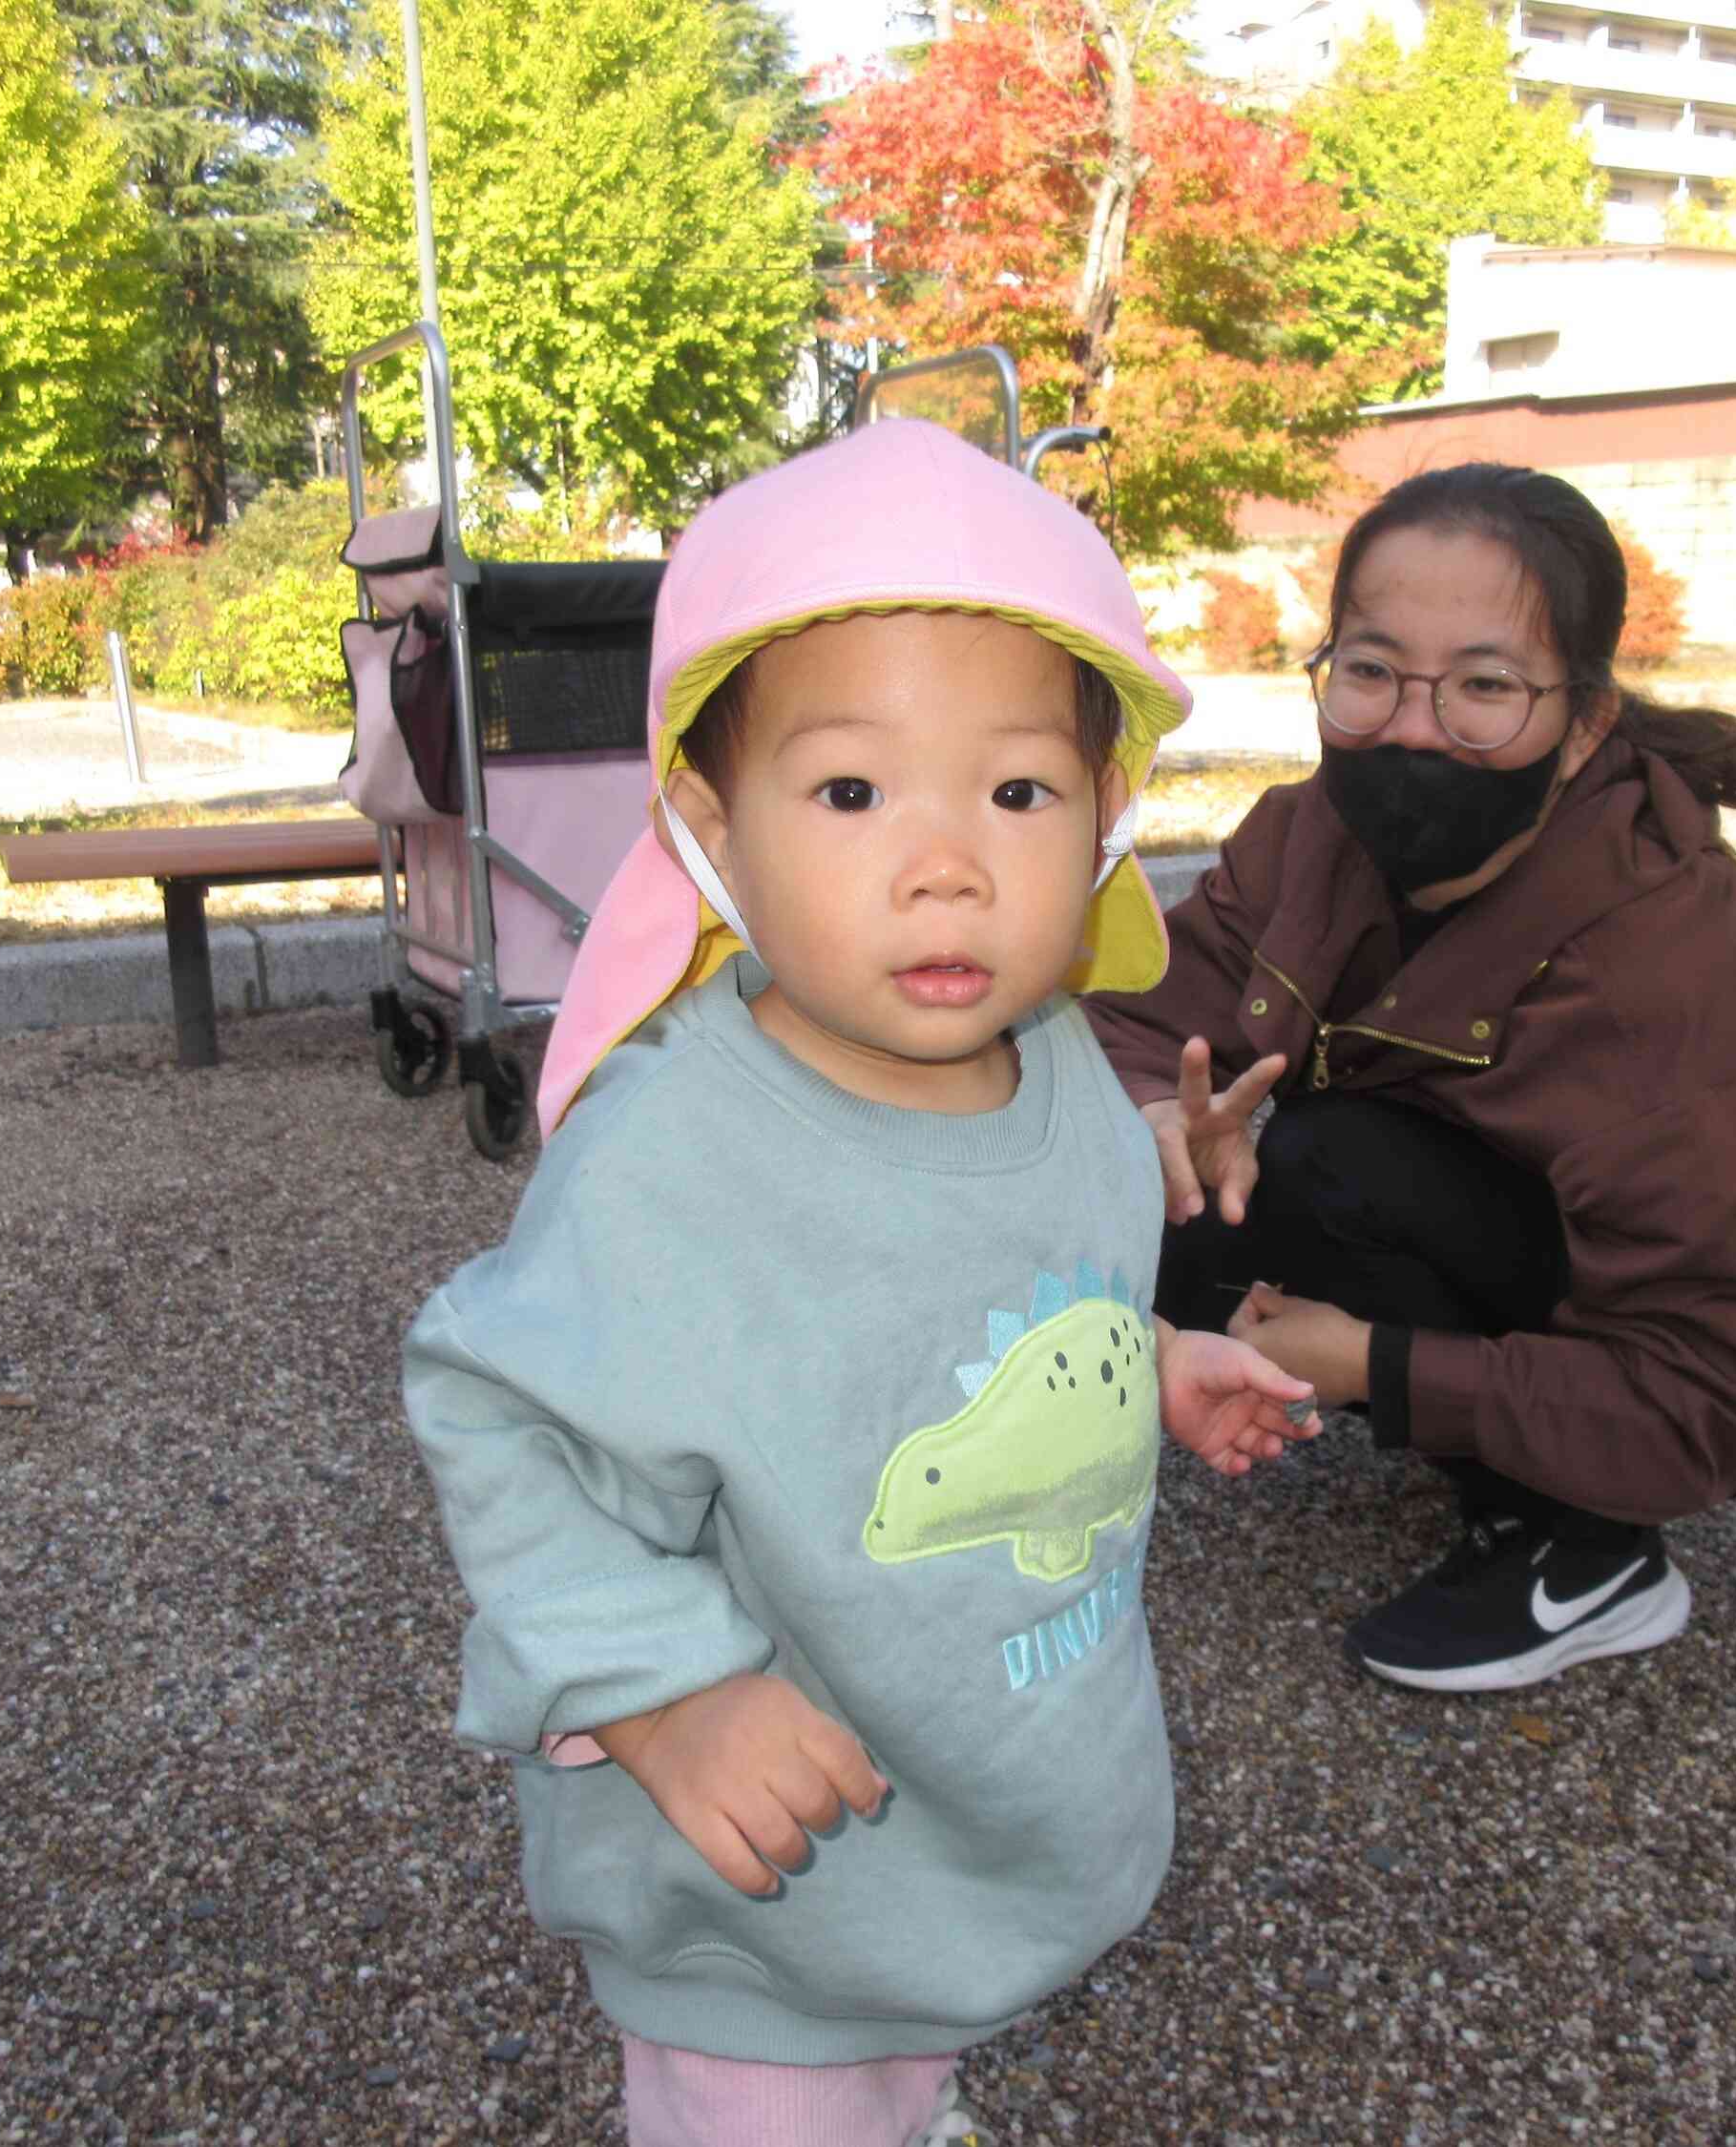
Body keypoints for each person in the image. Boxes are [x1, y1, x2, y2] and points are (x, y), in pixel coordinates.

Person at [402, 420, 1315, 2147]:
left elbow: (1007, 1300)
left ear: (1106, 813)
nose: (945, 860)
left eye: (1018, 791)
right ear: (711, 826)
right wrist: (666, 1695)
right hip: (767, 1892)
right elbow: (500, 1411)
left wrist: (1149, 1359)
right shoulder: (678, 1154)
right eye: (849, 793)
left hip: (964, 1812)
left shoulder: (1063, 1073)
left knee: (902, 2044)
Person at [1086, 462, 1736, 1696]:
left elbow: (1726, 1382)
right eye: (1371, 669)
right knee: (1184, 1194)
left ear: (1585, 721)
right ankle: (1478, 1414)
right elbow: (1148, 1002)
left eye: (1484, 685)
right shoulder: (1309, 833)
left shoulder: (1685, 959)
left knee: (1308, 1165)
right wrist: (1158, 1106)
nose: (1412, 729)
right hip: (1481, 1217)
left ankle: (1588, 1545)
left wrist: (1374, 1363)